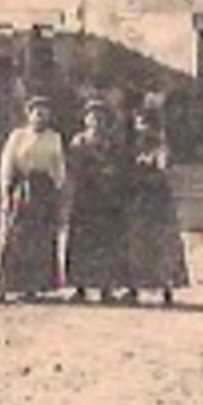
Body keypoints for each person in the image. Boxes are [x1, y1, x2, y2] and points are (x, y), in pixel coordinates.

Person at [0, 96, 66, 304]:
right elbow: (7, 164)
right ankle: (5, 288)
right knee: (15, 237)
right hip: (22, 190)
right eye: (36, 112)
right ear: (29, 114)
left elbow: (59, 168)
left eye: (45, 112)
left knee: (40, 239)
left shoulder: (54, 137)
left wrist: (58, 192)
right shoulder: (18, 136)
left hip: (44, 192)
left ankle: (33, 287)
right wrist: (6, 191)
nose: (40, 116)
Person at [64, 100, 133, 303]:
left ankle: (106, 287)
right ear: (85, 120)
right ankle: (80, 287)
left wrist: (111, 175)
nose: (96, 121)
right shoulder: (79, 142)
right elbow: (73, 167)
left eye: (101, 117)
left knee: (107, 242)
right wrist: (91, 173)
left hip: (108, 199)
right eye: (92, 117)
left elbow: (122, 166)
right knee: (82, 242)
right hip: (85, 198)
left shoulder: (114, 142)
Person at [123, 107, 190, 305]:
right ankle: (134, 287)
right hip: (137, 197)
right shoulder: (132, 146)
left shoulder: (161, 145)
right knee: (136, 242)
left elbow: (164, 168)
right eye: (139, 123)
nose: (143, 128)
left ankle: (166, 286)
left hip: (158, 199)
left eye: (146, 123)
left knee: (162, 242)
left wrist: (152, 164)